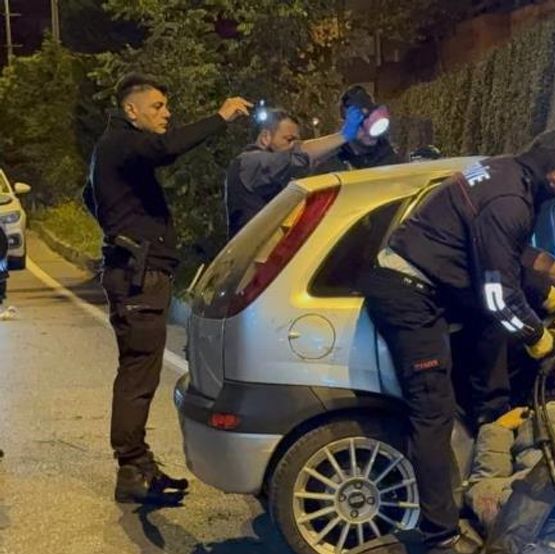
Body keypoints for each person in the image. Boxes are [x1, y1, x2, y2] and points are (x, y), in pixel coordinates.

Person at [361, 129, 555, 554]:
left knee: (486, 345)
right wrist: (538, 337)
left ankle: (483, 452)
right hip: (408, 294)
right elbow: (497, 298)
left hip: (428, 282)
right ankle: (440, 542)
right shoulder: (512, 201)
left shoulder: (503, 172)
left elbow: (517, 257)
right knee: (432, 409)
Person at [84, 72, 251, 504]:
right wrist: (220, 116)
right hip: (138, 276)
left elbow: (88, 194)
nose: (166, 114)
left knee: (140, 369)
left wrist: (121, 226)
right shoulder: (123, 143)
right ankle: (132, 467)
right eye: (157, 107)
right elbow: (166, 149)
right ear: (131, 110)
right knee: (138, 372)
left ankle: (139, 465)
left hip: (136, 270)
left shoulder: (114, 149)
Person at [223, 105, 364, 240]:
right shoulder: (250, 162)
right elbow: (294, 158)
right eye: (289, 140)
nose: (293, 146)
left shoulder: (271, 172)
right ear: (265, 137)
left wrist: (344, 144)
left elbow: (307, 161)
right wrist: (343, 135)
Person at [335, 85, 399, 169]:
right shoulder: (337, 158)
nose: (368, 131)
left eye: (371, 119)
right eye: (358, 121)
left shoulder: (387, 153)